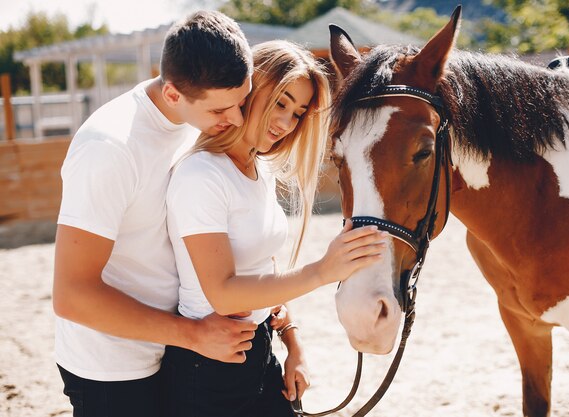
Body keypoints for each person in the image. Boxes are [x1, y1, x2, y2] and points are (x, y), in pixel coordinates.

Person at [163, 40, 388, 417]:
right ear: (252, 87)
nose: (286, 123)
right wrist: (321, 271)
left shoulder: (259, 170)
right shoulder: (200, 175)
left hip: (260, 350)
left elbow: (263, 273)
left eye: (298, 113)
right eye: (281, 103)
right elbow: (223, 294)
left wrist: (293, 345)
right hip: (208, 370)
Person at [52, 11, 260, 417]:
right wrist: (195, 335)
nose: (235, 119)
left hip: (179, 348)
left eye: (242, 101)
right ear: (172, 95)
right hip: (113, 367)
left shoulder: (196, 118)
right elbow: (71, 295)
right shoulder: (109, 148)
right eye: (221, 110)